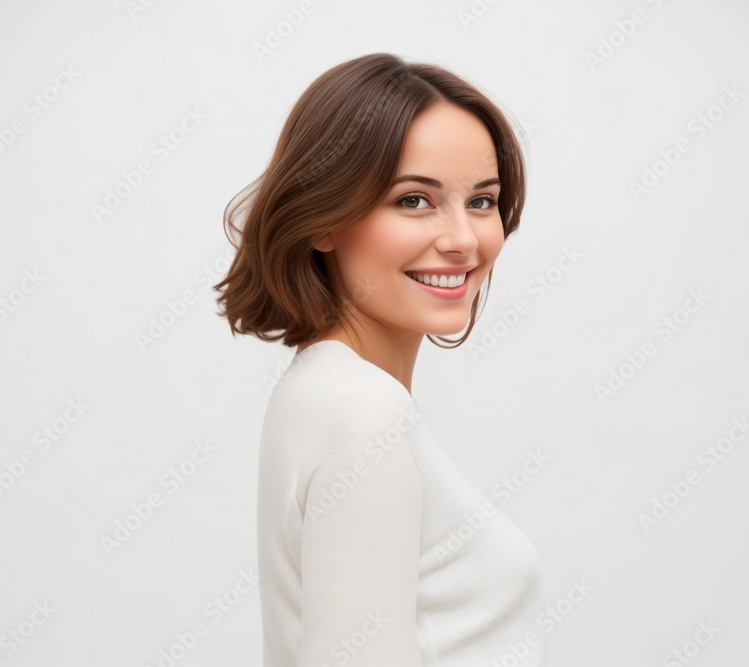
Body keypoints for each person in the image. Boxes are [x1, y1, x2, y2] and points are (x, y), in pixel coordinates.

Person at [214, 52, 547, 666]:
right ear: (323, 219)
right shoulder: (365, 414)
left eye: (481, 201)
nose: (462, 240)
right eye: (414, 201)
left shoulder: (322, 389)